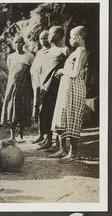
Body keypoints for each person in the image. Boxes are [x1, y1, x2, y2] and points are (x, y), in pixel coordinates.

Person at [51, 26, 88, 160]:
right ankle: (62, 149)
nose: (70, 39)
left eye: (72, 36)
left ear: (78, 38)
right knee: (63, 116)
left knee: (72, 118)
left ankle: (73, 153)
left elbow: (75, 73)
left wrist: (61, 71)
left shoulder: (82, 52)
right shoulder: (75, 52)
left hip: (75, 88)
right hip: (67, 88)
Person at [37, 26, 69, 151]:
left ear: (59, 35)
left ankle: (57, 142)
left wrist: (61, 73)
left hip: (56, 87)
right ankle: (48, 140)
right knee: (45, 112)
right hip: (45, 86)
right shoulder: (49, 50)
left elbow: (68, 67)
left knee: (54, 113)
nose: (48, 36)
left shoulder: (64, 50)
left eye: (51, 34)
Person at [0, 35, 34, 142]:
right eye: (15, 42)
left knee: (22, 108)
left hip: (24, 86)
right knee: (12, 108)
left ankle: (21, 134)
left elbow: (31, 72)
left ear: (23, 43)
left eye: (19, 42)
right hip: (12, 86)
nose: (17, 44)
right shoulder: (10, 57)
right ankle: (12, 135)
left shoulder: (29, 56)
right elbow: (11, 71)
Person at [30, 30, 51, 143]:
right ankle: (40, 134)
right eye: (41, 38)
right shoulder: (39, 52)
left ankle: (47, 135)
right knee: (37, 107)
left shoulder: (51, 51)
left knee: (45, 108)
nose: (43, 40)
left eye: (45, 37)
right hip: (36, 84)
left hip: (45, 84)